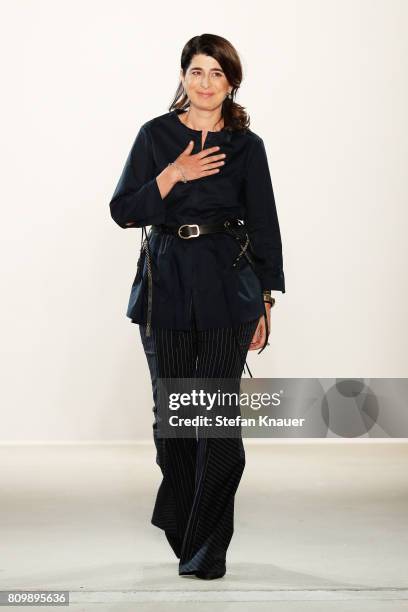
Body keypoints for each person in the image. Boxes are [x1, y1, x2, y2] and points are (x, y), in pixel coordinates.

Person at [109, 33, 286, 580]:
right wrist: (172, 174)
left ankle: (209, 548)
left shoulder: (246, 146)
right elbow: (122, 210)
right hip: (164, 286)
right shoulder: (155, 136)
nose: (205, 83)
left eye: (216, 73)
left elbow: (264, 224)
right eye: (196, 71)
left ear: (231, 82)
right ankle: (184, 523)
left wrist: (265, 297)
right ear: (183, 76)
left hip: (226, 286)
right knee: (174, 423)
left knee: (216, 421)